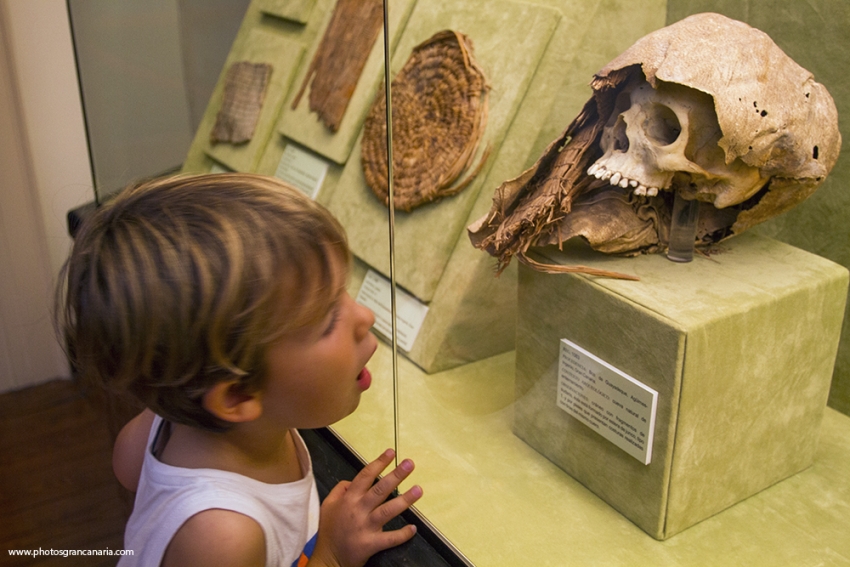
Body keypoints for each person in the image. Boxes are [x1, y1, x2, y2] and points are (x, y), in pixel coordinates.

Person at [58, 173, 422, 567]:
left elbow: (128, 465)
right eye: (327, 319)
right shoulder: (222, 536)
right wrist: (331, 551)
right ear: (237, 395)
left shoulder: (172, 421)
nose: (364, 316)